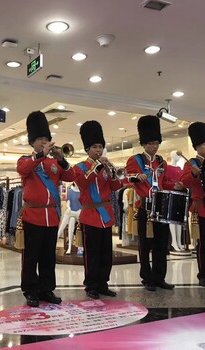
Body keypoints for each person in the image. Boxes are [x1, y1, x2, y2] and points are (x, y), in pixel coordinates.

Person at [17, 111, 75, 307]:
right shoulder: (26, 160)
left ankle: (46, 289)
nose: (44, 141)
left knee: (48, 257)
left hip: (52, 215)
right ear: (32, 142)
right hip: (33, 215)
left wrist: (62, 160)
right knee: (31, 257)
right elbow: (23, 170)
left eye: (46, 138)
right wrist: (40, 155)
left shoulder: (54, 163)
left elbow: (71, 177)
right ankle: (30, 290)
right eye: (40, 139)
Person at [126, 115, 183, 292]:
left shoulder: (161, 162)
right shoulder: (135, 160)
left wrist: (176, 185)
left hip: (161, 207)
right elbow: (126, 178)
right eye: (151, 143)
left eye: (156, 143)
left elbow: (165, 183)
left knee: (161, 244)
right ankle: (147, 277)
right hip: (144, 208)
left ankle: (160, 277)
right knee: (145, 245)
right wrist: (137, 177)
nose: (154, 146)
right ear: (144, 144)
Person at [74, 121, 121, 299]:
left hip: (106, 215)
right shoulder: (79, 167)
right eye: (95, 147)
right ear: (87, 149)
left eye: (100, 146)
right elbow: (82, 183)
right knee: (91, 254)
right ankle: (91, 284)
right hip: (90, 215)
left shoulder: (106, 167)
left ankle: (103, 283)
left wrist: (112, 171)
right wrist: (97, 168)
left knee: (106, 254)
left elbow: (116, 186)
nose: (98, 150)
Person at [180, 122, 205, 287]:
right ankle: (203, 273)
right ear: (197, 147)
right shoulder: (191, 163)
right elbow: (184, 182)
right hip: (202, 208)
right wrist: (194, 175)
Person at [165, 151, 185, 252]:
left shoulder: (180, 169)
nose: (178, 157)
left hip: (179, 194)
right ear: (172, 155)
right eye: (176, 155)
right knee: (172, 219)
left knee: (179, 219)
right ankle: (174, 241)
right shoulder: (167, 168)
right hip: (171, 194)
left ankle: (179, 242)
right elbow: (165, 181)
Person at [57, 182, 81, 255]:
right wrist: (68, 207)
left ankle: (56, 237)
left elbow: (83, 203)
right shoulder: (70, 191)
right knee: (71, 219)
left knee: (68, 215)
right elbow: (68, 202)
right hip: (72, 213)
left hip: (80, 213)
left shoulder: (82, 191)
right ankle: (69, 247)